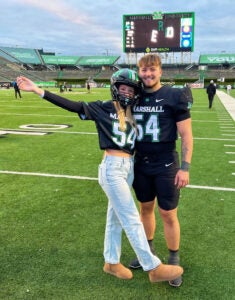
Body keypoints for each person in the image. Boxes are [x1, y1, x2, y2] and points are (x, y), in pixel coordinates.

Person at [17, 69, 183, 284]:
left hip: (129, 167)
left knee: (114, 219)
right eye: (123, 88)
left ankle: (111, 262)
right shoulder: (103, 107)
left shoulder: (133, 111)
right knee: (132, 217)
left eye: (131, 90)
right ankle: (152, 267)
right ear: (115, 88)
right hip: (112, 168)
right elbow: (73, 105)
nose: (127, 93)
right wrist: (38, 90)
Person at [128, 54, 193, 288]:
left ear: (160, 71)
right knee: (145, 208)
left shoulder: (174, 95)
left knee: (168, 213)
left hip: (166, 163)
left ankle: (173, 258)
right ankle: (149, 252)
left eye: (152, 69)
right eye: (143, 70)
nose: (148, 74)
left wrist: (185, 168)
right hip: (141, 163)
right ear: (139, 72)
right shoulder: (133, 95)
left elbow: (186, 135)